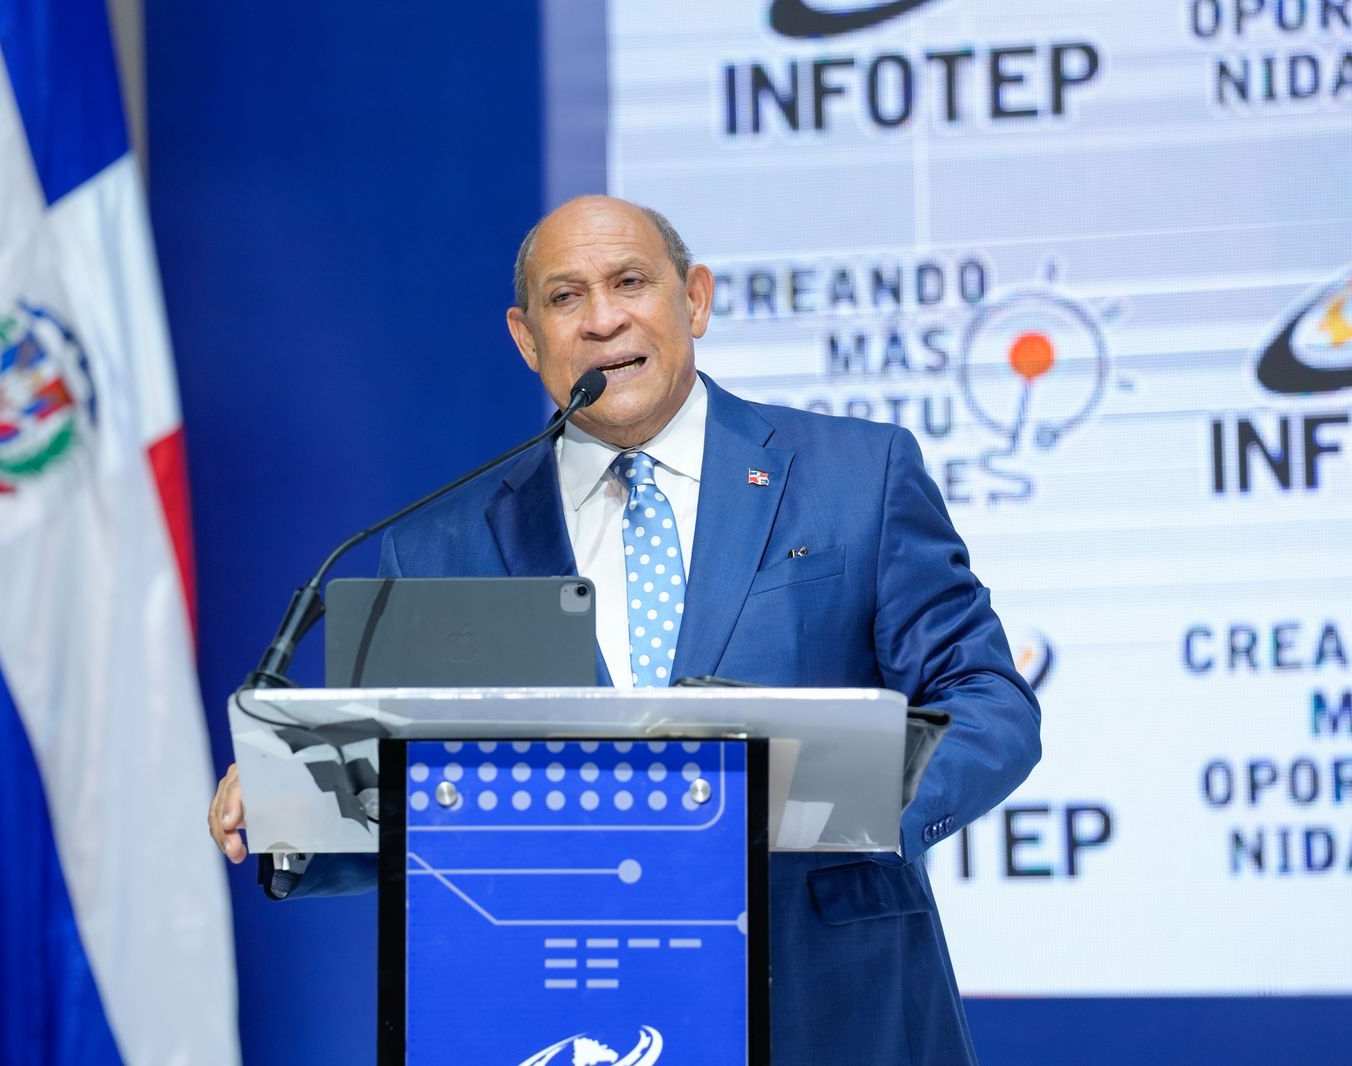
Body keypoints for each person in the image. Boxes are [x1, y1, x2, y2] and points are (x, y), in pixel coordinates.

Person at [208, 195, 1041, 1064]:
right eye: (565, 297)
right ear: (527, 339)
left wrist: (859, 796)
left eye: (630, 282)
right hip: (566, 1021)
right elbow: (421, 798)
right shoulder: (436, 545)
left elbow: (988, 701)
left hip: (831, 1006)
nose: (603, 319)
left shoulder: (857, 474)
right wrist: (294, 803)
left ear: (696, 299)